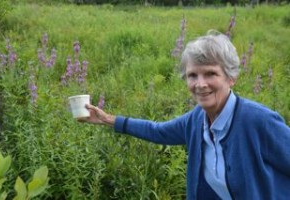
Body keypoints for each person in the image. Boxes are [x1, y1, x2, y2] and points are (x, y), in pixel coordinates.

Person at [79, 30, 290, 199]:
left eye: (210, 73)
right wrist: (108, 119)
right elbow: (158, 131)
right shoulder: (197, 119)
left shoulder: (259, 121)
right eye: (192, 75)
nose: (200, 84)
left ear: (231, 77)